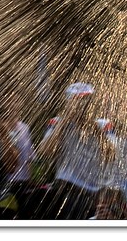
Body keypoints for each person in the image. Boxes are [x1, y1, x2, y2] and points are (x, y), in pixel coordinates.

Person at [35, 82, 112, 219]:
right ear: (69, 102)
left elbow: (111, 155)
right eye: (78, 100)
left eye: (87, 101)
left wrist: (93, 127)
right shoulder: (57, 122)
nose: (83, 106)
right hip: (67, 187)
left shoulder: (102, 124)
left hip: (94, 192)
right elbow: (44, 150)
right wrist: (65, 121)